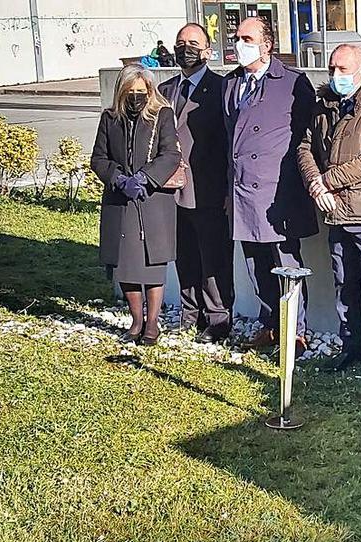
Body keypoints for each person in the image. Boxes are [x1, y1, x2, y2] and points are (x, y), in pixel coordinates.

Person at [298, 44, 361, 379]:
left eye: (343, 70)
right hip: (335, 211)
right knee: (344, 284)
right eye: (332, 69)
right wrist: (315, 181)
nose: (335, 76)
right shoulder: (325, 104)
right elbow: (305, 146)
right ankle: (352, 348)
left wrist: (328, 180)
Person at [223, 16, 318, 351]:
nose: (239, 44)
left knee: (286, 263)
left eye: (247, 38)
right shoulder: (231, 83)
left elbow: (309, 137)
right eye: (237, 38)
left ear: (267, 44)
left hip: (277, 193)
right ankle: (270, 326)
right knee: (255, 263)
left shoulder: (292, 83)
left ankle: (296, 331)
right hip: (242, 191)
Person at [91, 64, 181, 346]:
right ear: (121, 92)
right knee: (127, 262)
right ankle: (136, 321)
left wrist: (146, 177)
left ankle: (153, 323)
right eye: (130, 92)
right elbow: (98, 158)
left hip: (153, 198)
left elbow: (170, 155)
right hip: (121, 198)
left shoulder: (162, 115)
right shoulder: (110, 119)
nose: (136, 97)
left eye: (141, 92)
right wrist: (118, 179)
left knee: (153, 262)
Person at [159, 24, 233, 344]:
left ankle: (218, 319)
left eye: (192, 43)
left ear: (207, 50)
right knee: (185, 256)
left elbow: (231, 142)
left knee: (213, 258)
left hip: (208, 190)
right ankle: (190, 314)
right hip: (170, 192)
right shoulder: (164, 89)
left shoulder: (222, 89)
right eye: (180, 43)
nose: (184, 48)